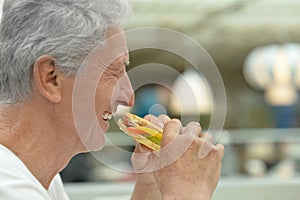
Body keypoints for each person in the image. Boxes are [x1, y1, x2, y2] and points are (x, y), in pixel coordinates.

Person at [0, 0, 224, 200]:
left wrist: (151, 187)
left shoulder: (37, 175)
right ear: (51, 78)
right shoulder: (8, 186)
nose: (129, 97)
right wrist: (187, 192)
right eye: (115, 72)